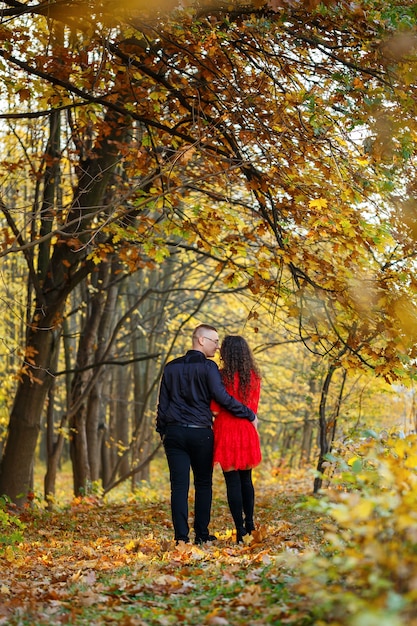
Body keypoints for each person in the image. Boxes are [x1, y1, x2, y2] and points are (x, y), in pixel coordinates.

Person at [156, 324, 258, 545]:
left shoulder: (171, 367)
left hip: (174, 433)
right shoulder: (209, 368)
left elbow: (162, 404)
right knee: (203, 483)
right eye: (214, 341)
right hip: (201, 432)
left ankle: (181, 538)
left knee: (179, 486)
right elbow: (221, 397)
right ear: (201, 340)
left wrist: (162, 431)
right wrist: (248, 413)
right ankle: (201, 534)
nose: (217, 346)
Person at [211, 335, 262, 543]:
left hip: (225, 429)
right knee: (246, 480)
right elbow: (253, 409)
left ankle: (239, 530)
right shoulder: (254, 377)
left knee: (232, 482)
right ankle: (250, 524)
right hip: (246, 429)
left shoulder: (221, 377)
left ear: (226, 353)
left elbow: (214, 408)